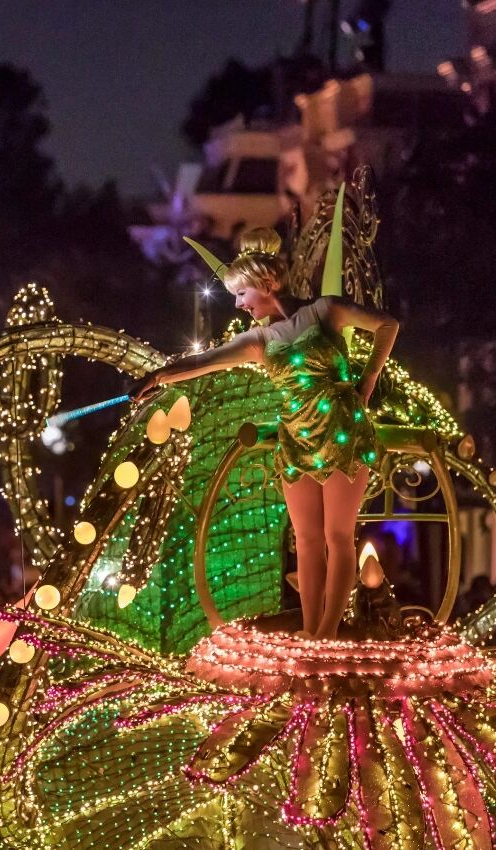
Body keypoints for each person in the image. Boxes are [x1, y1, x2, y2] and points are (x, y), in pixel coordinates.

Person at [131, 227, 398, 639]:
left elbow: (387, 325)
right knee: (307, 541)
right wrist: (159, 376)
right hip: (296, 438)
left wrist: (368, 380)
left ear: (265, 283)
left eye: (241, 294)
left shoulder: (326, 311)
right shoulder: (258, 339)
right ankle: (312, 632)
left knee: (338, 535)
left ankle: (328, 631)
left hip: (342, 430)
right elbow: (205, 361)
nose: (239, 306)